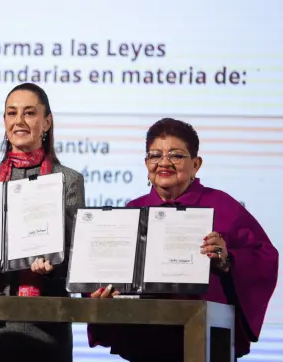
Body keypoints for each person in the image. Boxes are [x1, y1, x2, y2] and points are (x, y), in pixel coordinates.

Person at [87, 118, 279, 361]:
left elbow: (264, 259)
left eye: (176, 155)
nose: (164, 162)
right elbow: (107, 269)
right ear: (146, 163)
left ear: (196, 164)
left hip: (205, 339)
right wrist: (103, 291)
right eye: (155, 155)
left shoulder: (223, 206)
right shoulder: (131, 210)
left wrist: (228, 260)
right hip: (143, 338)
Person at [0, 83, 85, 362]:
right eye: (11, 113)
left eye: (29, 113)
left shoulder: (69, 180)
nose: (19, 121)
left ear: (47, 122)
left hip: (46, 325)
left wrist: (52, 269)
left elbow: (77, 257)